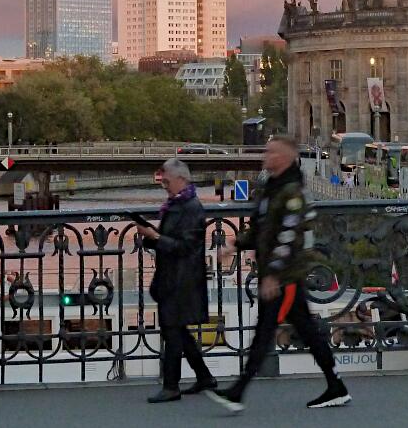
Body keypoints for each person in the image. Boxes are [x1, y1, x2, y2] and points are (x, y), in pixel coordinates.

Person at [206, 136, 349, 414]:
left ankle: (238, 391)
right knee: (306, 330)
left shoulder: (292, 193)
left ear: (284, 158)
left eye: (271, 152)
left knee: (265, 330)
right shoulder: (273, 188)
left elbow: (288, 238)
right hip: (280, 274)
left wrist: (273, 274)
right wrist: (234, 245)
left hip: (284, 276)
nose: (265, 155)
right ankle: (335, 386)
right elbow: (263, 229)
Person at [135, 158, 216, 403]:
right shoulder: (178, 205)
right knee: (178, 329)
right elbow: (169, 240)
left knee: (172, 331)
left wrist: (155, 237)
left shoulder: (191, 208)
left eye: (167, 181)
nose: (164, 186)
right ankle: (204, 377)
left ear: (181, 179)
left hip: (181, 279)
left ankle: (171, 386)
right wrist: (150, 236)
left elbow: (185, 247)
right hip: (174, 276)